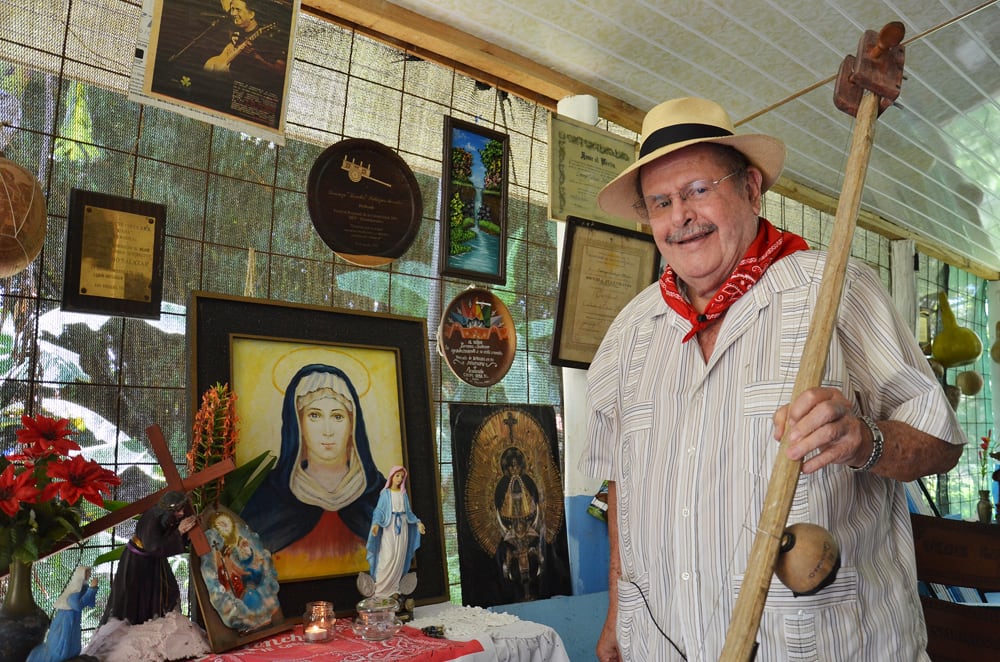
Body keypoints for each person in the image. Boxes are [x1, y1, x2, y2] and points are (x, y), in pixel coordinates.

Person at [578, 97, 965, 661]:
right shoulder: (631, 332)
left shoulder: (833, 290)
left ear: (752, 189)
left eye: (698, 190)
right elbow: (622, 487)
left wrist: (864, 440)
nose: (679, 216)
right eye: (660, 202)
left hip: (826, 644)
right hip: (664, 644)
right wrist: (617, 612)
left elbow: (943, 443)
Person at [242, 364, 385, 579]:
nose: (327, 431)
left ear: (353, 424)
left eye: (337, 417)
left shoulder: (380, 497)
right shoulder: (268, 500)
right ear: (296, 423)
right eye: (315, 415)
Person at [100, 490, 198, 625]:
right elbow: (154, 547)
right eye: (177, 511)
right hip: (137, 563)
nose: (181, 513)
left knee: (169, 591)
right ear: (168, 509)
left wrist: (184, 532)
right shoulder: (151, 518)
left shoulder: (165, 516)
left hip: (153, 562)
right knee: (135, 598)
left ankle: (161, 621)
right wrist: (179, 531)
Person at [365, 465, 425, 597]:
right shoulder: (385, 494)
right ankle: (380, 590)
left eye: (402, 477)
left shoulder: (403, 495)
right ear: (392, 476)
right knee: (388, 556)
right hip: (389, 528)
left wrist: (418, 522)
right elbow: (379, 511)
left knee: (399, 558)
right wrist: (375, 525)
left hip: (402, 528)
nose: (399, 479)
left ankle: (394, 589)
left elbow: (408, 513)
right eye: (397, 476)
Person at [26, 566, 98, 662]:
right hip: (66, 619)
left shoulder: (84, 587)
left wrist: (92, 590)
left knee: (73, 643)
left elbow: (90, 603)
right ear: (82, 574)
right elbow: (77, 605)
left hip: (75, 620)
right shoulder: (74, 589)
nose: (89, 574)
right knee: (62, 645)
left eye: (89, 572)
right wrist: (92, 590)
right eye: (88, 572)